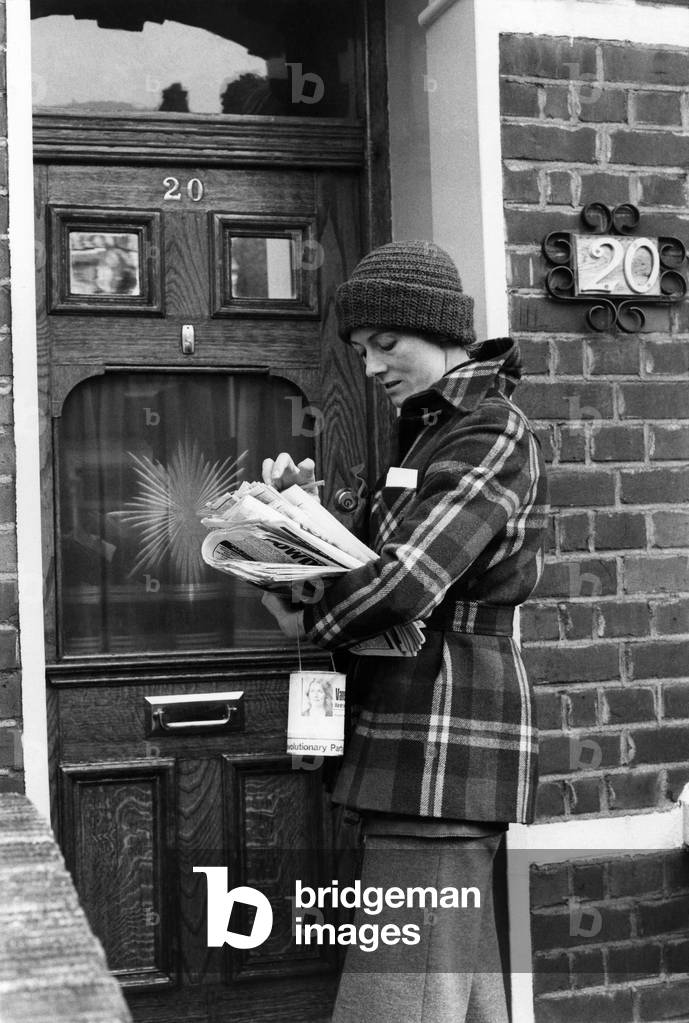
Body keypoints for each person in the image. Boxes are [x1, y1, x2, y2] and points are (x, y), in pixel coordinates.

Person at [261, 240, 549, 1023]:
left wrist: (313, 607)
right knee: (462, 995)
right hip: (414, 742)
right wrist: (298, 522)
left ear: (441, 331)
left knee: (395, 1002)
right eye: (361, 350)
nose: (371, 365)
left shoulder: (490, 431)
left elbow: (402, 581)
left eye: (386, 344)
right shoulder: (424, 436)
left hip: (444, 743)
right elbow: (373, 564)